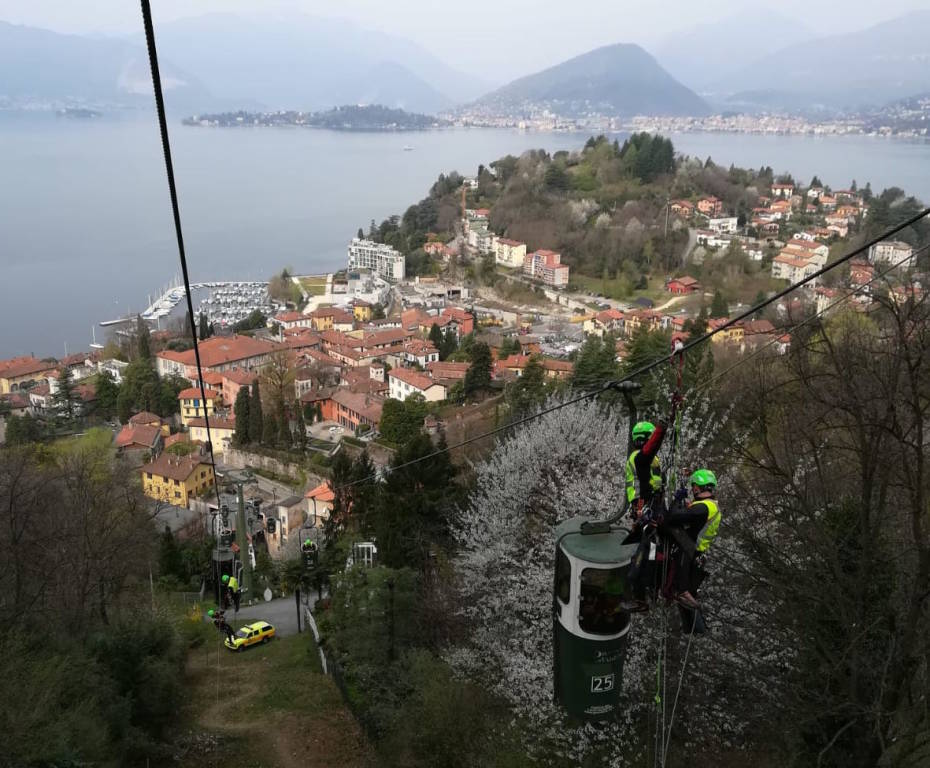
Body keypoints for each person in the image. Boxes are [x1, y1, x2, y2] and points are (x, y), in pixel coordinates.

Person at [663, 469, 721, 609]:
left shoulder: (703, 508)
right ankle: (678, 589)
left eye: (694, 486)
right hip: (697, 550)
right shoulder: (710, 506)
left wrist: (677, 499)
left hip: (691, 548)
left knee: (666, 526)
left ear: (699, 486)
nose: (693, 489)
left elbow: (673, 517)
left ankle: (681, 590)